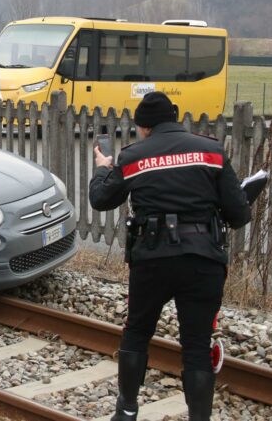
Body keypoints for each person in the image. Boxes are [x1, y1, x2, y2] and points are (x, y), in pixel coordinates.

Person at [89, 92, 251, 421]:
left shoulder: (133, 156)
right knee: (196, 344)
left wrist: (103, 169)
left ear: (143, 126)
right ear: (175, 117)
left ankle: (127, 411)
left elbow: (100, 199)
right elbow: (238, 215)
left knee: (137, 332)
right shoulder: (212, 151)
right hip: (203, 260)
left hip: (152, 259)